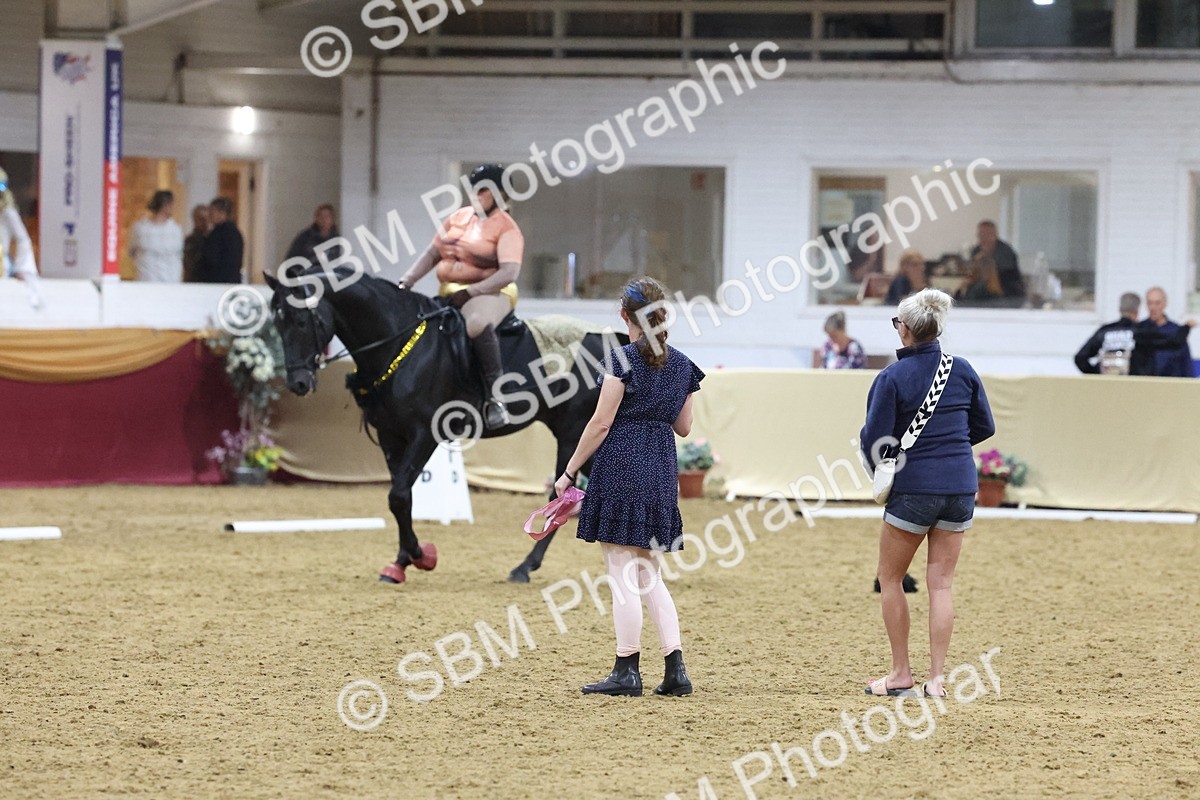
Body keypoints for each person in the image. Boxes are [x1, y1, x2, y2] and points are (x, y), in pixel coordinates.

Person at [552, 277, 704, 698]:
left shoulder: (621, 359)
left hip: (621, 465)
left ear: (624, 316)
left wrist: (569, 471)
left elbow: (601, 423)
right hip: (660, 468)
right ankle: (675, 669)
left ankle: (626, 668)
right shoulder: (683, 365)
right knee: (648, 571)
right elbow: (685, 427)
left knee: (620, 572)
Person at [860, 289, 995, 698]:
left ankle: (901, 673)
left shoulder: (891, 377)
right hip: (960, 486)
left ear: (905, 331)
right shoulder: (963, 368)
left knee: (891, 577)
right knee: (941, 585)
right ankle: (937, 680)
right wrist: (949, 450)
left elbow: (876, 441)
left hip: (914, 488)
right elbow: (984, 426)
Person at [397, 164, 524, 429]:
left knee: (475, 322)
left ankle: (495, 398)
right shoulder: (457, 218)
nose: (476, 194)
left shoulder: (507, 227)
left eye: (483, 190)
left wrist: (472, 292)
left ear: (500, 194)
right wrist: (406, 281)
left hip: (492, 291)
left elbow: (509, 272)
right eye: (474, 188)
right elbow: (432, 254)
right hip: (451, 291)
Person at [1074, 292, 1194, 376]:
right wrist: (1186, 328)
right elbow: (1175, 342)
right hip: (1136, 391)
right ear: (1137, 311)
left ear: (1120, 309)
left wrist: (1097, 374)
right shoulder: (1140, 332)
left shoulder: (1104, 332)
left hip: (1108, 390)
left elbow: (1080, 358)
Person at [127, 190, 183, 282]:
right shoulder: (140, 228)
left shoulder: (175, 229)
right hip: (148, 280)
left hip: (169, 281)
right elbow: (132, 251)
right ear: (166, 205)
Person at [1140, 287, 1194, 378]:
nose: (1153, 307)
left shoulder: (1176, 332)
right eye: (1150, 303)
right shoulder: (1140, 330)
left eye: (1157, 303)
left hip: (1171, 385)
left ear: (1164, 304)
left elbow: (1185, 364)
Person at [192, 197, 244, 284]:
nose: (209, 215)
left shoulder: (218, 234)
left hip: (216, 282)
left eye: (212, 212)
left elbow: (210, 258)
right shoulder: (236, 233)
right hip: (233, 281)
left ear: (221, 213)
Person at [969, 221, 1024, 299]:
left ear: (994, 235)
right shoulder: (976, 250)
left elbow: (1003, 274)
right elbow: (973, 272)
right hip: (983, 289)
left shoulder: (1005, 251)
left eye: (986, 235)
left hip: (1008, 291)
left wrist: (986, 258)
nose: (982, 239)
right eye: (980, 235)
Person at [183, 205, 209, 283]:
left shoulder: (213, 240)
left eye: (206, 218)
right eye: (201, 219)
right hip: (193, 281)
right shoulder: (189, 240)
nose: (204, 222)